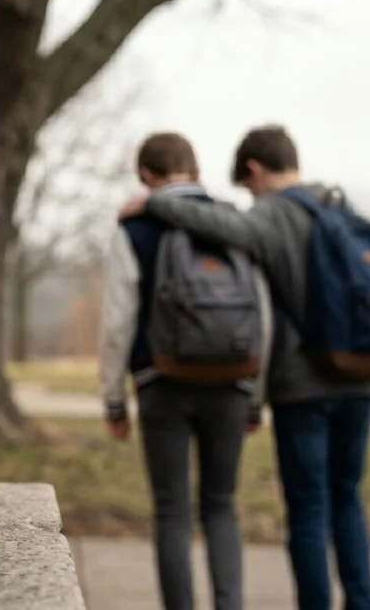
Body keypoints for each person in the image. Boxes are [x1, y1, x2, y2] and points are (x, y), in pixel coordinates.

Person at [120, 125, 370, 610]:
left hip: (303, 385)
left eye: (247, 187)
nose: (249, 196)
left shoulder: (271, 214)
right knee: (347, 497)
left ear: (254, 170)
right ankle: (362, 602)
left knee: (308, 507)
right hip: (363, 381)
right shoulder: (342, 209)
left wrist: (155, 203)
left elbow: (227, 229)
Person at [99, 132, 271, 610]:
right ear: (195, 172)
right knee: (221, 506)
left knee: (172, 512)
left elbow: (117, 321)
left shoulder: (134, 228)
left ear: (147, 178)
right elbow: (263, 314)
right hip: (232, 382)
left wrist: (114, 398)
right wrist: (255, 393)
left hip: (162, 383)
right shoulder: (233, 223)